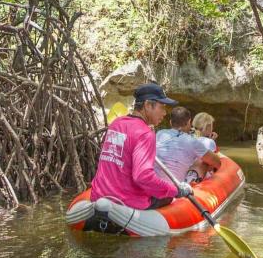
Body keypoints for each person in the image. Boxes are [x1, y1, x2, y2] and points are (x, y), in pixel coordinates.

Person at [89, 83, 191, 213]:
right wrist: (175, 190)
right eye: (162, 107)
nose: (165, 113)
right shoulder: (145, 133)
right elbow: (143, 177)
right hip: (127, 204)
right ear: (148, 105)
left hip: (99, 197)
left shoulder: (116, 124)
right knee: (169, 197)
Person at [155, 106, 221, 184]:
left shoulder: (160, 133)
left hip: (155, 184)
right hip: (176, 187)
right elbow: (217, 163)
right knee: (203, 161)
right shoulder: (192, 141)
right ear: (189, 122)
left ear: (170, 122)